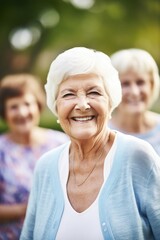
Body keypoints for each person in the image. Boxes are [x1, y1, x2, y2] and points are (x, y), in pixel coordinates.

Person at [20, 47, 160, 240]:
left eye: (94, 92)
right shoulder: (45, 166)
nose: (82, 104)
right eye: (68, 95)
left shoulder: (138, 156)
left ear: (110, 103)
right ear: (56, 107)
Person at [0, 73, 69, 240]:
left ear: (38, 106)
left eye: (27, 104)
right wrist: (26, 209)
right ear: (4, 112)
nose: (22, 112)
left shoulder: (62, 143)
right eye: (14, 107)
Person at [109, 48, 160, 155]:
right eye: (125, 84)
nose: (135, 92)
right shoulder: (100, 134)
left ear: (152, 85)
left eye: (140, 82)